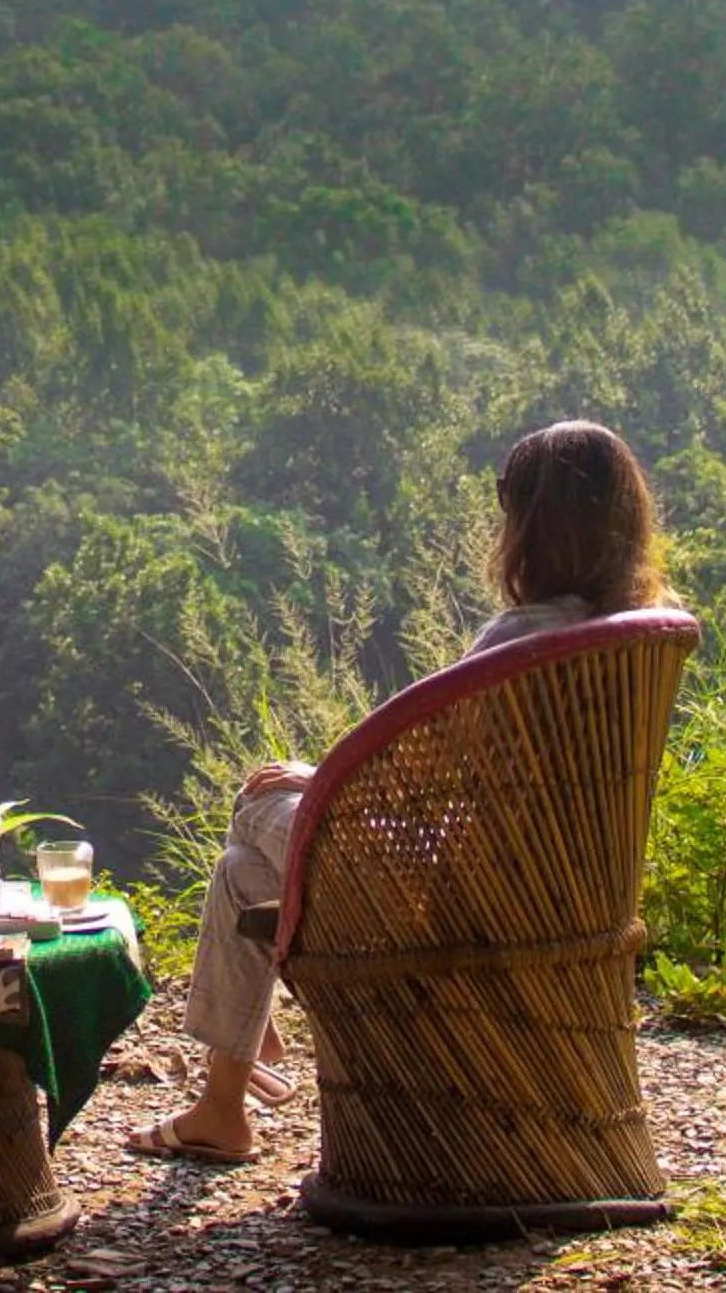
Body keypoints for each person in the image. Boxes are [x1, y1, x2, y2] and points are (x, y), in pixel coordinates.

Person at [125, 418, 676, 1165]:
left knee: (257, 803)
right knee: (241, 876)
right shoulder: (638, 631)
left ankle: (247, 1039)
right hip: (560, 890)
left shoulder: (520, 638)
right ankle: (222, 1105)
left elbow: (412, 781)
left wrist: (315, 779)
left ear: (531, 526)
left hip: (454, 893)